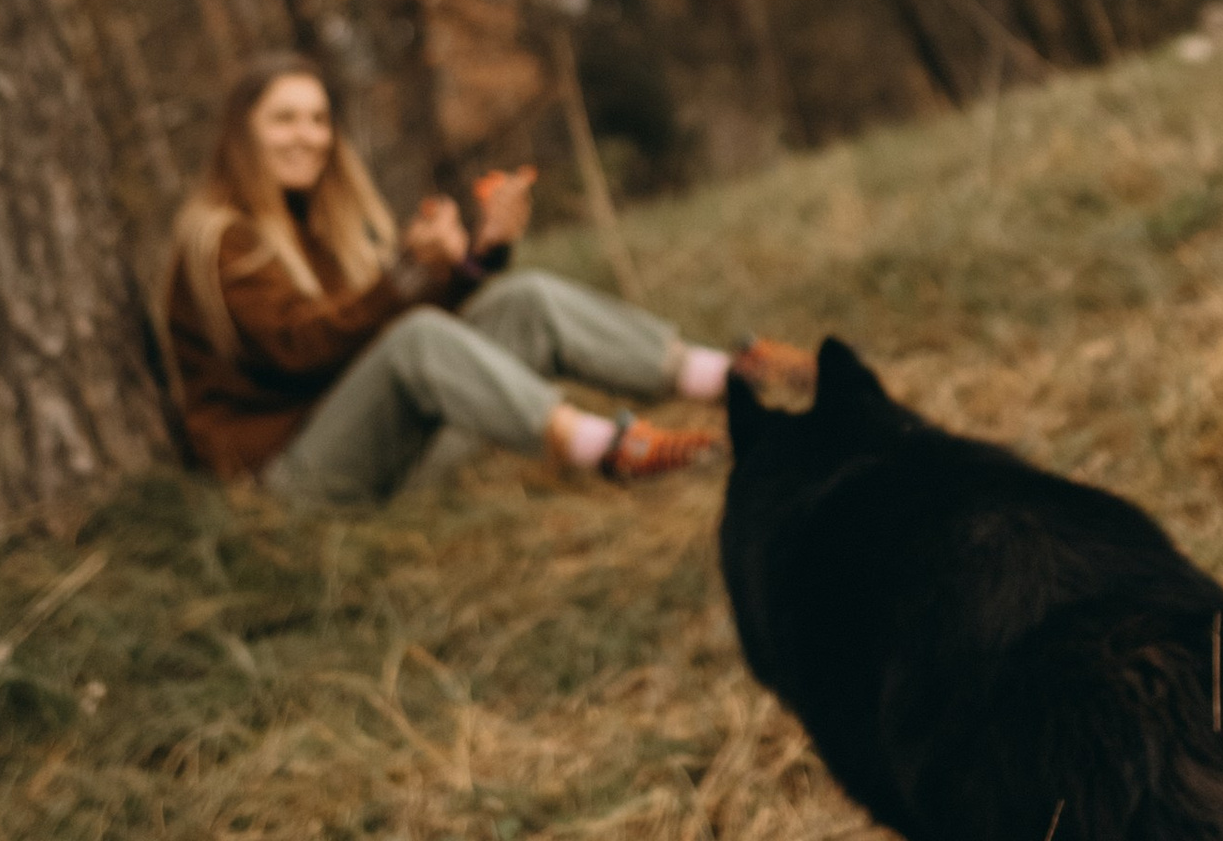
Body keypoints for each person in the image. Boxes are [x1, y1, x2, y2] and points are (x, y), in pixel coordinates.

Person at [166, 52, 810, 510]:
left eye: (318, 119)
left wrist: (477, 259)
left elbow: (377, 335)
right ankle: (608, 450)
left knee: (522, 299)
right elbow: (304, 350)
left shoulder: (322, 221)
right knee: (417, 339)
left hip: (386, 449)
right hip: (295, 483)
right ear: (242, 134)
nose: (307, 136)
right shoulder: (220, 243)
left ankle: (730, 378)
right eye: (284, 119)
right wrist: (407, 276)